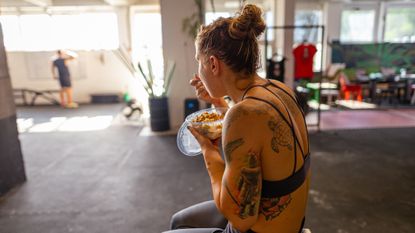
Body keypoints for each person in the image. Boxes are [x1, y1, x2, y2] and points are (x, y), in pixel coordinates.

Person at [165, 4, 310, 233]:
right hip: (291, 223)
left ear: (213, 64)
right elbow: (256, 132)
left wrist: (207, 150)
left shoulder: (242, 115)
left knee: (173, 228)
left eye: (199, 62)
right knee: (180, 220)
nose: (199, 71)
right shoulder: (279, 89)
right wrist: (218, 101)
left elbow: (239, 218)